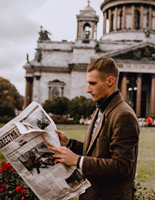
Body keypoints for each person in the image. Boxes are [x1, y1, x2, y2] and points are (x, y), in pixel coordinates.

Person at [49, 56, 140, 200]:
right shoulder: (101, 109)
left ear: (110, 81)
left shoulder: (124, 115)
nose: (87, 89)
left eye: (92, 83)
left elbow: (121, 166)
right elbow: (97, 151)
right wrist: (69, 143)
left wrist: (79, 161)